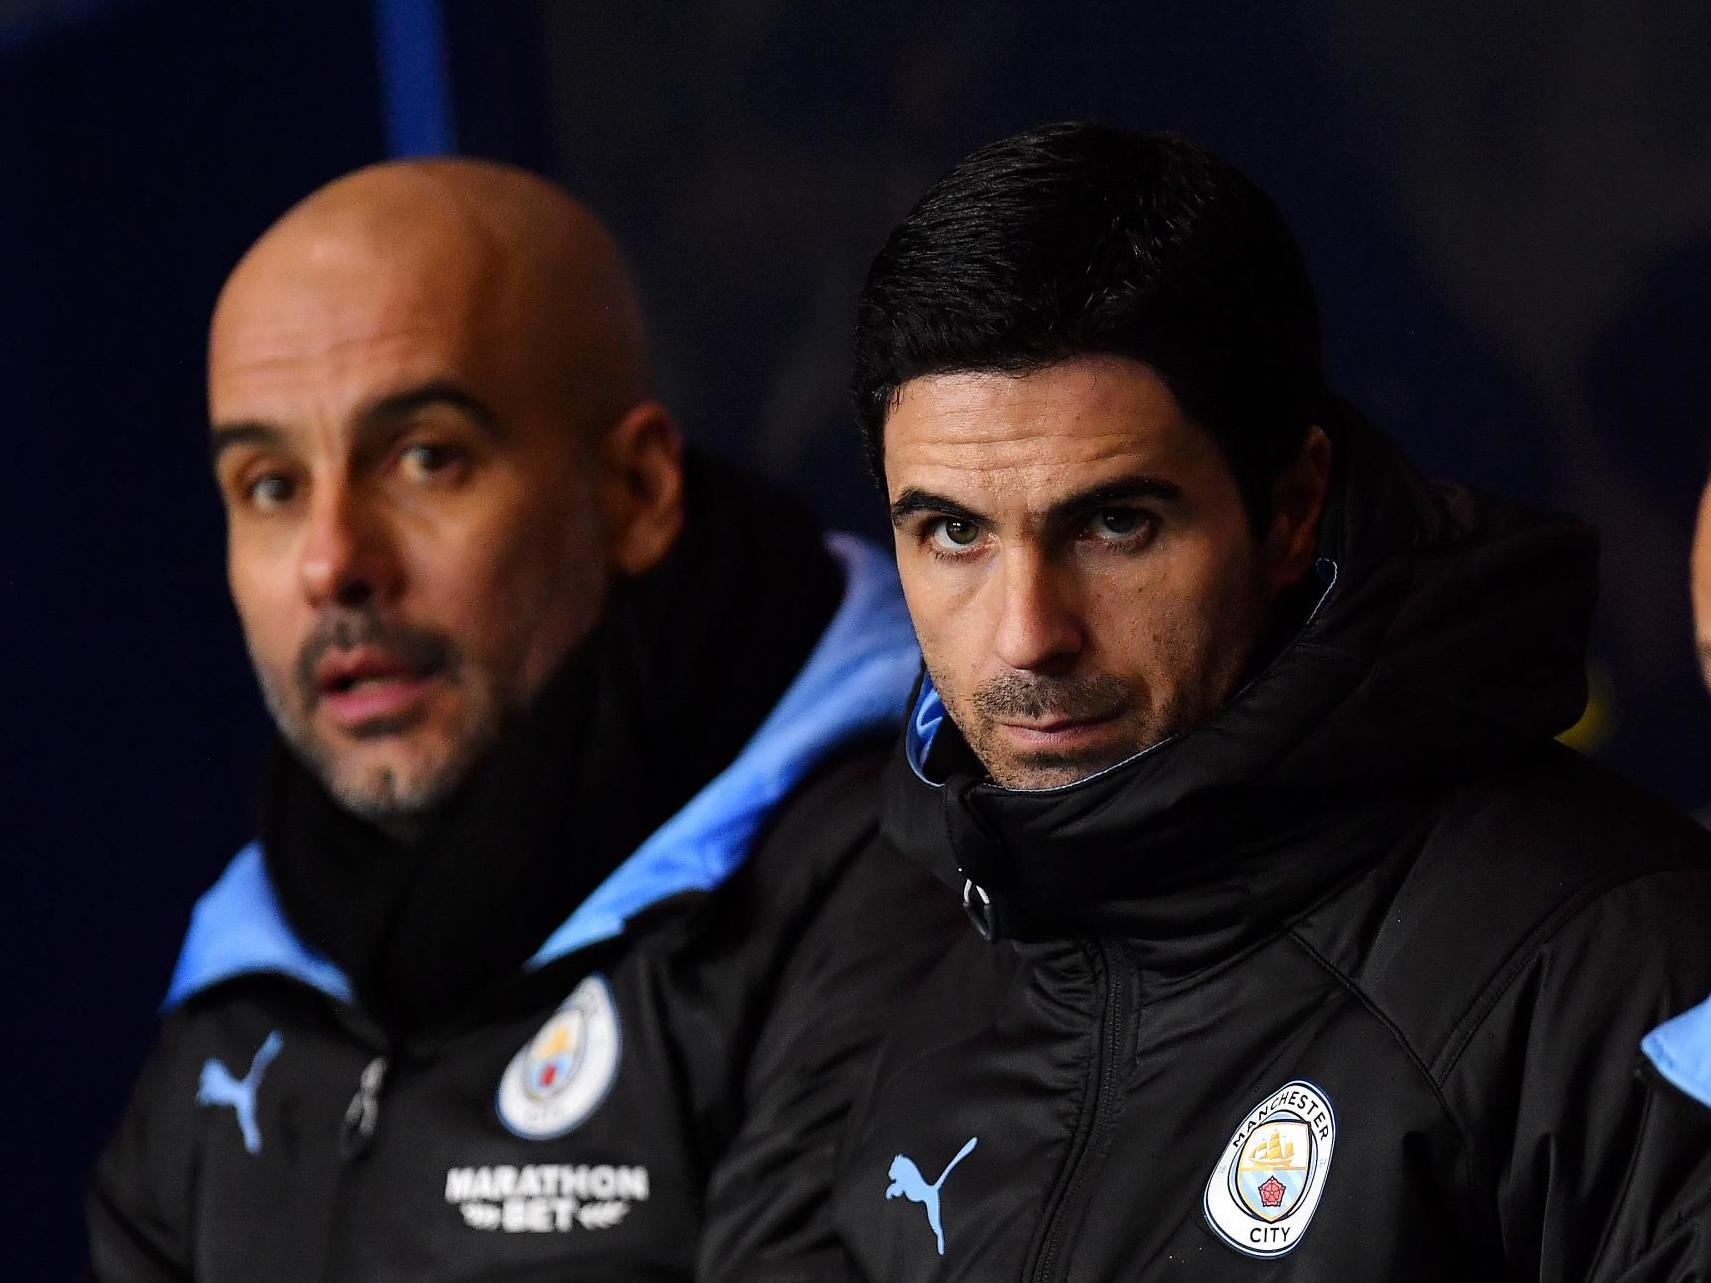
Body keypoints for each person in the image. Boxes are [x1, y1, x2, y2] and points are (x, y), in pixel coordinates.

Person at [822, 122, 1711, 1280]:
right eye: (952, 532)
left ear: (1291, 509)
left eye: (1115, 524)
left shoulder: (1607, 964)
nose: (1026, 633)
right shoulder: (906, 942)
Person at [84, 159, 927, 1282]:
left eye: (426, 457)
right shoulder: (246, 982)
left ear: (634, 492)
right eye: (271, 485)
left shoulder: (883, 882)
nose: (335, 561)